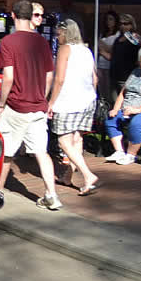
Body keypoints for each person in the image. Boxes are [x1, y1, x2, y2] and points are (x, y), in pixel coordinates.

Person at [0, 0, 63, 210]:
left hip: (15, 105)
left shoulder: (8, 42)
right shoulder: (42, 42)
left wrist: (0, 105)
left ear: (13, 16)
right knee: (41, 152)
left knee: (6, 152)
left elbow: (8, 77)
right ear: (29, 16)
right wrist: (41, 96)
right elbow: (49, 76)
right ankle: (51, 195)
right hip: (37, 106)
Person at [47, 19, 101, 196]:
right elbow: (95, 79)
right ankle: (68, 176)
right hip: (88, 101)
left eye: (59, 33)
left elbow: (59, 79)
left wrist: (51, 102)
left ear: (65, 32)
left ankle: (87, 175)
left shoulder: (65, 50)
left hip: (68, 102)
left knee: (64, 141)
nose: (57, 37)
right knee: (77, 139)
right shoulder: (86, 50)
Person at [101, 14, 141, 109]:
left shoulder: (133, 38)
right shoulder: (118, 38)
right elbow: (113, 55)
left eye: (126, 24)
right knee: (113, 102)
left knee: (125, 103)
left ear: (132, 25)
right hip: (114, 75)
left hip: (126, 76)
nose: (123, 26)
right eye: (121, 24)